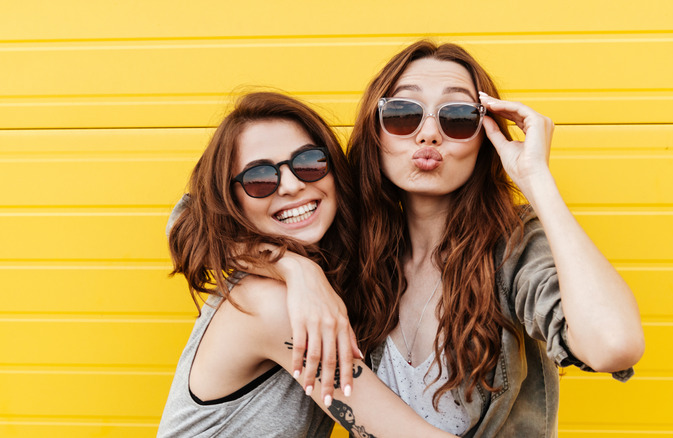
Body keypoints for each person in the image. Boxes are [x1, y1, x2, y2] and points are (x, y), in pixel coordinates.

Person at [341, 40, 646, 436]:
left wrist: (536, 179)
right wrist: (300, 273)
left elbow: (613, 345)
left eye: (458, 117)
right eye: (404, 113)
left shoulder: (512, 248)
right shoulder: (355, 253)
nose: (429, 133)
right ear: (375, 131)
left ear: (485, 136)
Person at [157, 91, 456, 437]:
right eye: (259, 178)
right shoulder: (270, 305)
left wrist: (297, 269)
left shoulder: (316, 275)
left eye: (309, 162)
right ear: (231, 200)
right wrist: (296, 270)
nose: (292, 185)